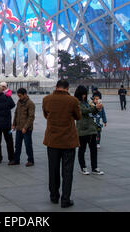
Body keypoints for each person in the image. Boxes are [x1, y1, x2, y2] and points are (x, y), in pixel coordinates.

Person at [42, 80, 81, 208]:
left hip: (52, 140)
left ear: (56, 87)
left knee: (53, 170)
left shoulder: (47, 99)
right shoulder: (73, 101)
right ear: (67, 88)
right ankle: (65, 199)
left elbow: (46, 115)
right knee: (67, 171)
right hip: (68, 141)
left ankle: (54, 196)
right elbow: (78, 116)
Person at [74, 86, 104, 175]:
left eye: (85, 94)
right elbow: (85, 111)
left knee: (93, 150)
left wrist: (97, 108)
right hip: (82, 130)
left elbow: (91, 112)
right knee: (82, 150)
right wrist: (95, 108)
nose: (84, 96)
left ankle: (94, 167)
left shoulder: (87, 102)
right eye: (83, 94)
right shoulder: (77, 103)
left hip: (92, 129)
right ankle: (83, 167)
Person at [12, 88, 35, 166]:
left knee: (28, 145)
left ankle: (30, 160)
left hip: (26, 129)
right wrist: (14, 124)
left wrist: (25, 127)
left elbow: (31, 117)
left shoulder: (30, 103)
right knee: (17, 145)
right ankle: (16, 160)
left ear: (25, 94)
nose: (19, 97)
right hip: (18, 127)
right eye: (18, 96)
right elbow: (16, 113)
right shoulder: (19, 102)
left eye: (20, 96)